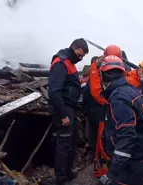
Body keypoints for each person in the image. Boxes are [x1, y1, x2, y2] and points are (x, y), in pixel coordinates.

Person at [98, 55, 143, 185]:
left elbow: (127, 136)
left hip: (131, 164)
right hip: (141, 157)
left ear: (105, 75)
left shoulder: (118, 98)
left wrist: (113, 172)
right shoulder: (131, 91)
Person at [48, 38, 89, 185]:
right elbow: (54, 92)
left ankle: (68, 171)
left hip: (70, 108)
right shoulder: (60, 63)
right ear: (74, 47)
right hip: (63, 109)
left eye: (82, 57)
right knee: (63, 144)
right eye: (80, 55)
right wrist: (63, 115)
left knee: (72, 141)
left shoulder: (70, 63)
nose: (80, 58)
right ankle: (60, 177)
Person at [83, 45, 123, 166]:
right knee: (96, 126)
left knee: (109, 127)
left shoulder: (120, 64)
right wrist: (109, 103)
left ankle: (106, 151)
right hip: (95, 101)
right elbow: (96, 91)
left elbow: (124, 81)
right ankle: (94, 152)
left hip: (109, 99)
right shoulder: (97, 65)